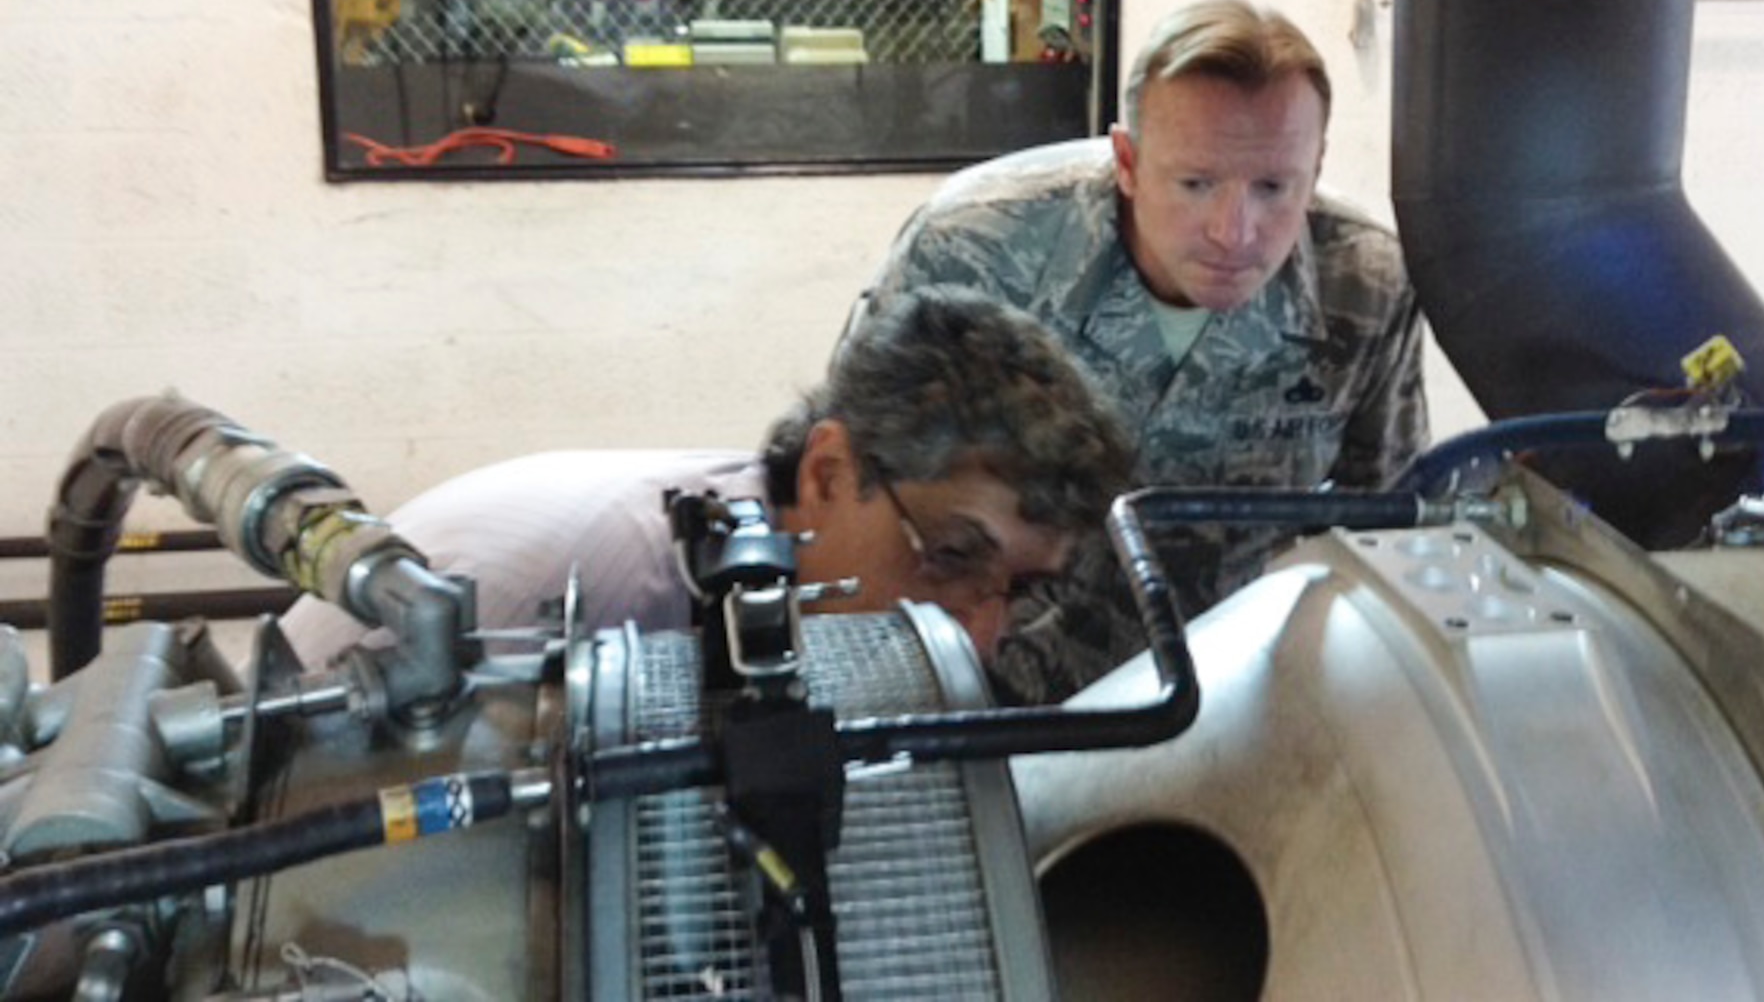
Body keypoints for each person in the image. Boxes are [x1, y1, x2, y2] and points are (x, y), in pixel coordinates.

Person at [851, 0, 1430, 702]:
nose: (1234, 230)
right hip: (986, 693)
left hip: (1230, 704)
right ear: (1126, 161)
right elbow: (852, 488)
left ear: (1316, 165)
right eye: (1196, 184)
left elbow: (1387, 533)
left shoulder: (1365, 286)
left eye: (1274, 187)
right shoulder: (977, 246)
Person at [280, 287, 1134, 670]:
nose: (977, 639)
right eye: (948, 557)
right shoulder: (605, 601)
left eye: (1017, 594)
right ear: (831, 472)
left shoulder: (761, 542)